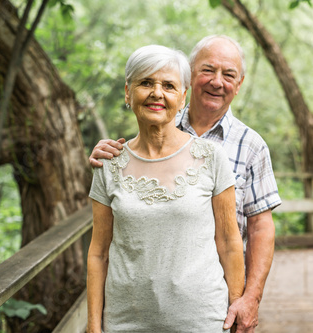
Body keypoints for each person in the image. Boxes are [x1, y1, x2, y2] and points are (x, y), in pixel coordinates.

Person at [89, 35, 282, 332]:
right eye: (208, 70)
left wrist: (247, 300)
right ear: (190, 80)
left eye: (228, 74)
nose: (217, 82)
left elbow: (256, 229)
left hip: (203, 308)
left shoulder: (249, 146)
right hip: (129, 315)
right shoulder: (150, 126)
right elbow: (100, 248)